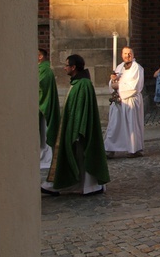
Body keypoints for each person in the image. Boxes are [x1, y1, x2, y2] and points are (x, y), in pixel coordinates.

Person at [42, 54, 109, 196]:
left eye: (67, 65)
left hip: (79, 131)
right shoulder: (76, 83)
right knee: (77, 157)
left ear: (74, 67)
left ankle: (92, 186)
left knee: (83, 156)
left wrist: (78, 130)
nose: (64, 68)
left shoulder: (83, 85)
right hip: (72, 129)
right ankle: (80, 184)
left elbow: (83, 110)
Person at [105, 46, 145, 158]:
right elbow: (113, 83)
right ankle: (110, 148)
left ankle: (133, 149)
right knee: (114, 125)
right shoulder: (119, 67)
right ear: (121, 55)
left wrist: (118, 86)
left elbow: (135, 86)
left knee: (131, 125)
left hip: (130, 100)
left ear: (133, 54)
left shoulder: (137, 68)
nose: (127, 56)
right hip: (118, 101)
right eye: (125, 53)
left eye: (129, 53)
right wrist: (112, 80)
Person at [38, 48, 60, 170]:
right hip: (40, 107)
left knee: (44, 134)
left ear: (40, 56)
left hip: (43, 107)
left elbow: (40, 86)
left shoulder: (44, 70)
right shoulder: (40, 68)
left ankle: (45, 158)